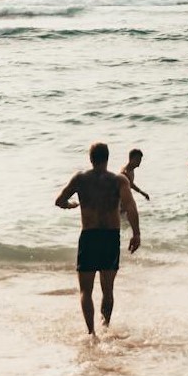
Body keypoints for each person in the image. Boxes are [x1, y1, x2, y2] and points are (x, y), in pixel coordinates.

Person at [55, 142, 141, 335]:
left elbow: (59, 200)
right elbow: (130, 207)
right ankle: (105, 327)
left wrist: (71, 205)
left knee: (86, 290)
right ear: (107, 158)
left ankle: (91, 333)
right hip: (110, 237)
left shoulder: (80, 179)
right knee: (107, 290)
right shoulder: (119, 180)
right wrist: (136, 234)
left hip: (89, 236)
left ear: (90, 158)